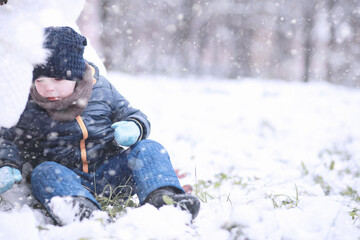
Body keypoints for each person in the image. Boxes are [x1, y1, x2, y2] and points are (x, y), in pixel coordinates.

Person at [0, 26, 200, 225]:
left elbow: (132, 114)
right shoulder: (28, 105)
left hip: (111, 173)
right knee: (43, 171)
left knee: (149, 148)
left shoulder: (100, 90)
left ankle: (164, 200)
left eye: (58, 78)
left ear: (76, 75)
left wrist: (134, 126)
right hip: (66, 180)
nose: (48, 87)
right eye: (40, 80)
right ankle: (80, 209)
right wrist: (8, 164)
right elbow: (9, 137)